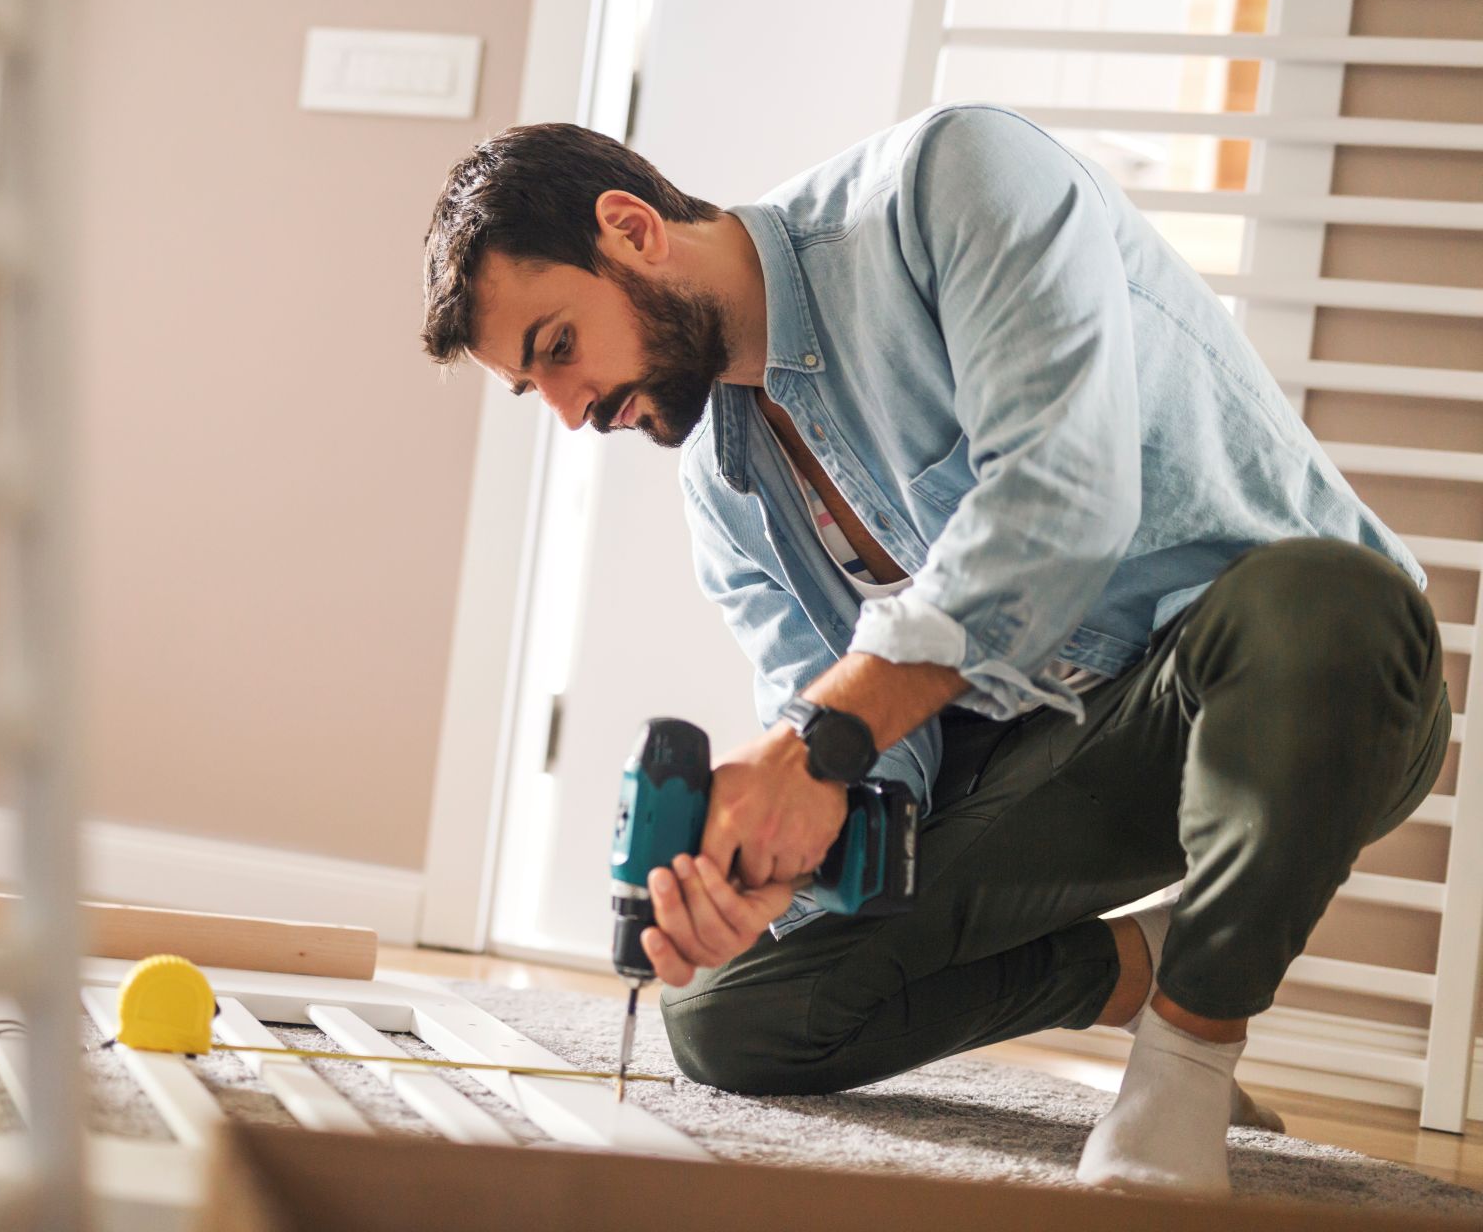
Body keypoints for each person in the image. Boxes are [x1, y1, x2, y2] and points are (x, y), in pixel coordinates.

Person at [419, 104, 1448, 1195]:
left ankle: (1187, 1057)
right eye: (539, 392)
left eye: (559, 348)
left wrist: (815, 745)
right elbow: (878, 763)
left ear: (629, 228)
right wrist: (783, 862)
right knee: (730, 1017)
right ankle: (1136, 968)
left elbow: (1066, 494)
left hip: (1304, 688)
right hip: (1075, 757)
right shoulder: (725, 494)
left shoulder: (947, 185)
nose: (576, 414)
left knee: (1324, 597)